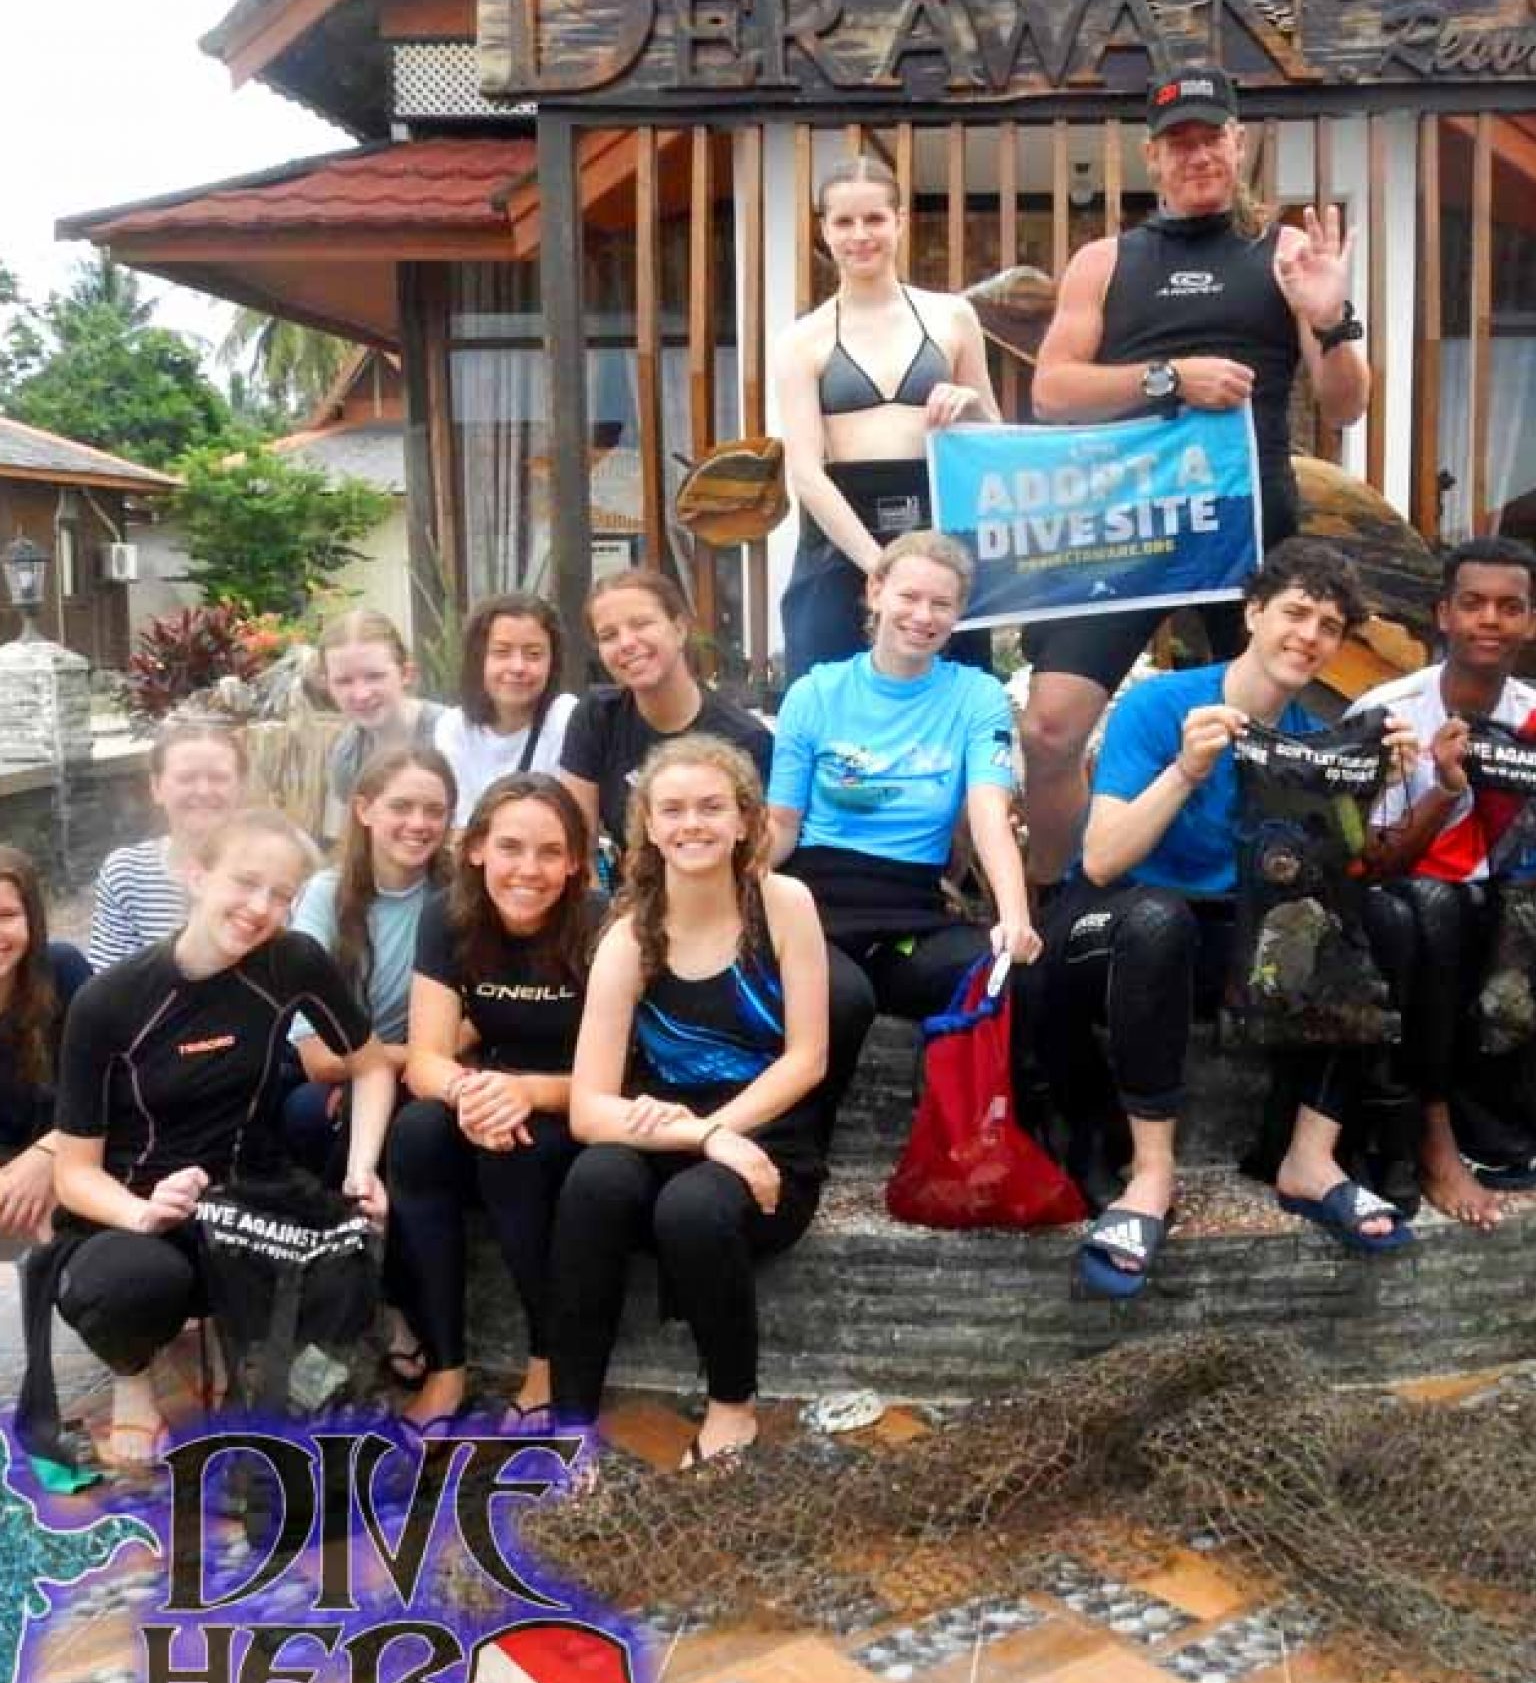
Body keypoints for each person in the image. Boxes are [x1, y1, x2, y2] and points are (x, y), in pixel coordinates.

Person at [1022, 65, 1372, 882]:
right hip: (1125, 523)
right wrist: (1167, 378)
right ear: (1153, 158)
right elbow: (1051, 392)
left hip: (1245, 527)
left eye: (1211, 136)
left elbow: (1346, 403)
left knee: (1264, 734)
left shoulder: (1284, 251)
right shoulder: (1104, 260)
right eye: (1179, 142)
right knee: (1048, 729)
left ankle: (1262, 903)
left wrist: (1333, 320)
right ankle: (1063, 902)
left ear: (1238, 144)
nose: (1197, 155)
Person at [1037, 540, 1413, 1293]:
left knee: (1387, 919)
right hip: (1104, 927)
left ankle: (1310, 1156)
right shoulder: (1162, 704)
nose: (1309, 636)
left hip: (1229, 935)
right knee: (1158, 918)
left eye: (1329, 626)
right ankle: (1151, 1173)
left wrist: (1374, 786)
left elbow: (1342, 871)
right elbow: (1105, 859)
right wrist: (1187, 769)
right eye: (1295, 614)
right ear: (1252, 614)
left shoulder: (1315, 737)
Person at [48, 810, 393, 1466]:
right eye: (246, 882)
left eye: (283, 894)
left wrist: (362, 1168)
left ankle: (274, 1386)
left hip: (244, 1199)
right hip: (129, 1214)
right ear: (197, 875)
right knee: (132, 1285)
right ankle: (132, 1379)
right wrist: (143, 1211)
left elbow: (370, 1065)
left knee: (346, 1260)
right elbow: (74, 1174)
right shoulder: (109, 1002)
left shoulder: (290, 962)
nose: (261, 908)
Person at [1350, 538, 1536, 1229]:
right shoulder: (1387, 713)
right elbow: (1365, 865)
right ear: (1443, 616)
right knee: (1436, 906)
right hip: (1412, 908)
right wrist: (1441, 791)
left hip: (1511, 906)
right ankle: (1434, 1139)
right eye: (1474, 604)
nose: (1491, 619)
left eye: (1510, 607)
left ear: (1534, 624)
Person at [550, 736, 830, 1465]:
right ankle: (570, 1422)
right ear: (648, 825)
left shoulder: (785, 904)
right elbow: (589, 1109)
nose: (692, 824)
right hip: (672, 1132)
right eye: (672, 809)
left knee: (693, 1208)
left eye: (712, 807)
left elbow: (807, 1058)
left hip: (770, 1142)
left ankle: (732, 1404)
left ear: (745, 821)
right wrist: (703, 1137)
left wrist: (723, 1132)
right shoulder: (628, 937)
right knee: (594, 1180)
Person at [768, 533, 1039, 1065]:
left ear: (959, 613)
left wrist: (1014, 918)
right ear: (875, 593)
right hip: (818, 905)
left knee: (1000, 981)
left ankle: (968, 1141)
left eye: (942, 604)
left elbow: (989, 816)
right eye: (909, 597)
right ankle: (797, 1145)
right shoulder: (815, 692)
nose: (923, 616)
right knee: (840, 1000)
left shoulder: (977, 695)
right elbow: (780, 824)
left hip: (913, 909)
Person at [386, 775, 602, 1431]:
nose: (527, 870)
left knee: (518, 1156)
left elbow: (621, 1075)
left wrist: (522, 1095)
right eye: (510, 847)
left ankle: (545, 1359)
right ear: (476, 848)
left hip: (578, 1101)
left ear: (573, 862)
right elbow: (425, 1058)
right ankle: (448, 1367)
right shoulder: (449, 917)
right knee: (418, 1133)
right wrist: (471, 1094)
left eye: (548, 852)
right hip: (492, 1090)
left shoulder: (602, 925)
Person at [774, 155, 1002, 678]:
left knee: (953, 694)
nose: (861, 235)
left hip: (940, 529)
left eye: (874, 219)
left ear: (900, 221)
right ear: (824, 231)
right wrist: (881, 568)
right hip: (840, 540)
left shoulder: (953, 317)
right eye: (844, 222)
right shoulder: (801, 339)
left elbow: (994, 437)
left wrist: (968, 404)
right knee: (827, 697)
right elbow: (807, 474)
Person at [282, 746, 456, 1182]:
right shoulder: (325, 896)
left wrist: (419, 1064)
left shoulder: (460, 897)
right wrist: (420, 1057)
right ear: (364, 809)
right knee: (310, 1110)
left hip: (422, 1075)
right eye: (401, 806)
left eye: (434, 811)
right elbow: (320, 1060)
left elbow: (480, 1019)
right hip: (346, 1068)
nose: (418, 823)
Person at [557, 569, 773, 860]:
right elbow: (579, 845)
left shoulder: (745, 739)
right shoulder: (596, 717)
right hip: (627, 897)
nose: (626, 643)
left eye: (641, 624)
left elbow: (756, 855)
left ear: (680, 628)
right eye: (609, 636)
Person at [86, 721, 248, 970]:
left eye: (218, 777)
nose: (203, 790)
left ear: (241, 787)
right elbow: (108, 983)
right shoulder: (127, 872)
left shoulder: (273, 870)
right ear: (156, 787)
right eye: (186, 778)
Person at [0, 849, 91, 1248]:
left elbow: (108, 1080)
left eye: (5, 916)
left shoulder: (64, 971)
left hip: (70, 1149)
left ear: (32, 920)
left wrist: (48, 1154)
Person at [434, 594, 579, 829]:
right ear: (478, 659)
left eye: (533, 655)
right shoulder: (454, 727)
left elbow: (566, 821)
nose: (518, 667)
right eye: (501, 652)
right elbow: (457, 827)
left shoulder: (566, 717)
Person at [319, 610, 445, 841]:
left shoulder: (450, 735)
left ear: (406, 673)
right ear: (328, 686)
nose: (361, 694)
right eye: (344, 681)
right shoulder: (348, 757)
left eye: (374, 676)